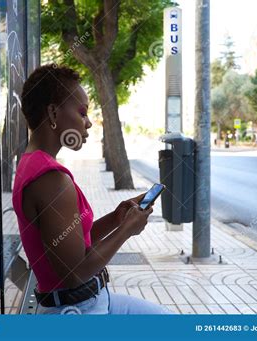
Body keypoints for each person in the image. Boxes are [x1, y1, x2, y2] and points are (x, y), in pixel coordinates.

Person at [12, 64, 170, 315]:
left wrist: (116, 219)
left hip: (88, 301)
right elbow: (74, 273)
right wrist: (128, 230)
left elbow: (72, 246)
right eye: (82, 112)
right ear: (53, 113)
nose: (88, 123)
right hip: (77, 311)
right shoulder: (50, 179)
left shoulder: (32, 163)